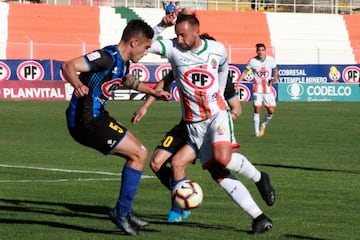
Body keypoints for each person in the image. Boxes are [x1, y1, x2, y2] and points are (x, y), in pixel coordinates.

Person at [146, 14, 275, 233]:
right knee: (218, 173)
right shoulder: (173, 48)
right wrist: (161, 26)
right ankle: (259, 217)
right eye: (176, 34)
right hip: (193, 126)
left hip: (216, 116)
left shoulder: (216, 49)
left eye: (183, 34)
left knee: (222, 158)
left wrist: (221, 94)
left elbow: (224, 66)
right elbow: (145, 43)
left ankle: (259, 177)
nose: (179, 39)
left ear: (196, 31)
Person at [61, 19, 171, 236]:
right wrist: (78, 84)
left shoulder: (122, 62)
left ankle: (124, 211)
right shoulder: (106, 57)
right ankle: (121, 212)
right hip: (85, 121)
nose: (147, 52)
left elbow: (127, 80)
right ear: (133, 42)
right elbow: (69, 65)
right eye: (146, 47)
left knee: (139, 154)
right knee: (139, 154)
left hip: (97, 117)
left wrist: (152, 92)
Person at [132, 69, 275, 233]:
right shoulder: (183, 63)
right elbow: (164, 82)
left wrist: (218, 127)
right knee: (157, 163)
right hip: (185, 128)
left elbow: (236, 108)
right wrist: (145, 106)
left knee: (185, 163)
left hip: (208, 131)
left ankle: (179, 207)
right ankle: (258, 213)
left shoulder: (220, 73)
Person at [238, 43, 279, 137]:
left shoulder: (270, 60)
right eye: (259, 50)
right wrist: (238, 82)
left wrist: (275, 77)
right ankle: (256, 132)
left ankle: (263, 124)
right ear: (256, 51)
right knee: (257, 108)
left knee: (271, 111)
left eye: (262, 50)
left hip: (268, 89)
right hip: (257, 88)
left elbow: (275, 69)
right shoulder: (252, 61)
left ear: (265, 51)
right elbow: (245, 72)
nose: (261, 52)